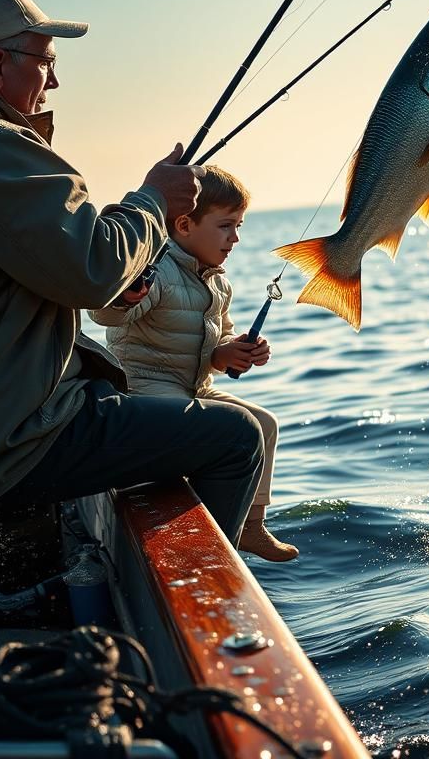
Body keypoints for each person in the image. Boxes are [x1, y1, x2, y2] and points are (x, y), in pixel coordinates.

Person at [0, 0, 264, 555]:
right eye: (46, 63)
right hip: (8, 439)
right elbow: (94, 269)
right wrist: (153, 201)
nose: (54, 82)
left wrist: (107, 289)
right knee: (236, 436)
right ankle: (203, 609)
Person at [89, 166, 299, 562]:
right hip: (144, 389)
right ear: (184, 225)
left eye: (239, 226)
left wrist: (232, 351)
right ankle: (182, 536)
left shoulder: (218, 281)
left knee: (264, 424)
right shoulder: (158, 271)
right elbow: (107, 316)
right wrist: (124, 296)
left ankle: (251, 527)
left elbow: (218, 343)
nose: (235, 237)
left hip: (195, 389)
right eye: (226, 226)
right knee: (207, 436)